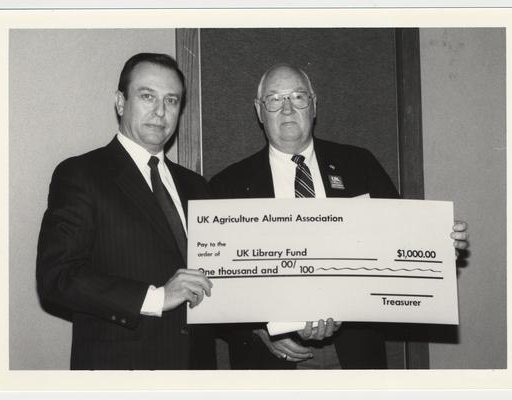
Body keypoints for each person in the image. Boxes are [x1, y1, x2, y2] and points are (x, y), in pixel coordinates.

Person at [210, 63, 469, 369]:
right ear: (259, 110)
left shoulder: (360, 165)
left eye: (298, 96)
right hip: (272, 360)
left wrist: (438, 248)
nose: (288, 108)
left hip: (355, 352)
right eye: (275, 99)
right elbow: (213, 289)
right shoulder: (227, 185)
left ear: (314, 104)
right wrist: (260, 331)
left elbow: (401, 249)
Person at [36, 53, 215, 370]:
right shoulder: (82, 174)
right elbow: (57, 278)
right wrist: (156, 297)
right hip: (121, 370)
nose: (160, 112)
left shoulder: (197, 185)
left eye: (171, 101)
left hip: (196, 370)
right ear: (120, 102)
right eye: (148, 96)